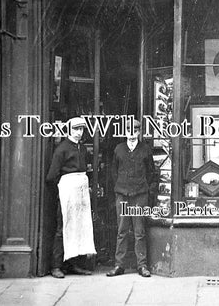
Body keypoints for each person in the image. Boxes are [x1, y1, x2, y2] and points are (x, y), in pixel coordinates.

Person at [46, 117, 96, 278]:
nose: (79, 132)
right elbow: (52, 176)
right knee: (63, 227)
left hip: (80, 191)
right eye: (76, 129)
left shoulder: (81, 149)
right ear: (69, 130)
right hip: (67, 191)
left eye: (81, 129)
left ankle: (73, 264)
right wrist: (62, 191)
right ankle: (56, 266)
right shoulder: (62, 149)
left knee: (79, 227)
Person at [107, 118, 156, 278]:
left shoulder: (145, 150)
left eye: (135, 130)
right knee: (121, 231)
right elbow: (114, 171)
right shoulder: (119, 149)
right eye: (129, 130)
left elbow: (151, 172)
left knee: (139, 231)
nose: (132, 133)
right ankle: (119, 265)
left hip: (139, 195)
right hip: (122, 194)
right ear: (125, 132)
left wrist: (144, 188)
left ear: (139, 132)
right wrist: (120, 187)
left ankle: (142, 266)